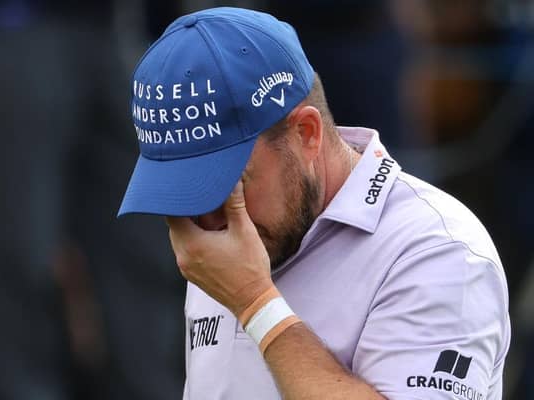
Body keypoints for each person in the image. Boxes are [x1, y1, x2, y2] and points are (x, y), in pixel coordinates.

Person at [118, 7, 510, 399]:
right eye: (183, 193)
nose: (209, 222)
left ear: (306, 134)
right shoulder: (223, 235)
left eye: (230, 185)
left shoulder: (437, 252)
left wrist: (256, 304)